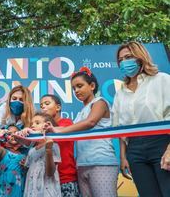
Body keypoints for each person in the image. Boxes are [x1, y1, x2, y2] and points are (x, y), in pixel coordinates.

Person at [48, 67, 118, 197]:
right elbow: (69, 131)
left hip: (101, 162)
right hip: (82, 165)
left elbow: (90, 122)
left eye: (79, 86)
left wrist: (58, 131)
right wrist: (52, 130)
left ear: (92, 86)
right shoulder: (80, 114)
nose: (76, 91)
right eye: (74, 88)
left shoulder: (100, 102)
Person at [112, 41, 170, 196]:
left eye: (128, 57)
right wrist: (123, 157)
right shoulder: (120, 93)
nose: (124, 62)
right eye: (121, 60)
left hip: (162, 143)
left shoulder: (162, 80)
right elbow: (120, 129)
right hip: (134, 150)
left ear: (140, 57)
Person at [40, 94, 79, 197]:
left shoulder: (67, 123)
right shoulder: (40, 128)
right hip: (48, 179)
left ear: (58, 107)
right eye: (41, 105)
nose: (43, 106)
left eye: (47, 103)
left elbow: (60, 132)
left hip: (66, 178)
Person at [18, 112, 61, 197]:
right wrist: (24, 164)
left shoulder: (54, 146)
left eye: (37, 123)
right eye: (32, 124)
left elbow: (50, 173)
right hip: (32, 191)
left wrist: (48, 150)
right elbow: (28, 168)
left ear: (47, 126)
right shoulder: (32, 150)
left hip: (46, 191)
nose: (33, 125)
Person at [0, 126, 26, 197]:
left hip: (18, 189)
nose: (13, 135)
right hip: (3, 189)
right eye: (9, 133)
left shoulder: (25, 155)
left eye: (16, 133)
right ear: (5, 136)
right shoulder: (3, 151)